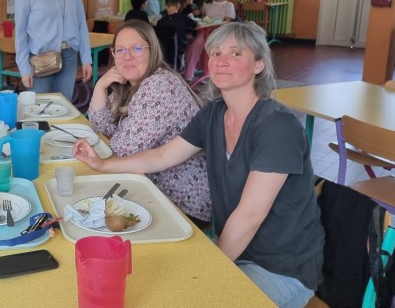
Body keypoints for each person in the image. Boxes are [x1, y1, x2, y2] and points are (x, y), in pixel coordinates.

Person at [75, 22, 324, 308]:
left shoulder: (277, 125)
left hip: (282, 270)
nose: (221, 61)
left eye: (235, 53)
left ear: (258, 65)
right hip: (236, 250)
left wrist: (207, 268)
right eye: (216, 53)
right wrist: (103, 165)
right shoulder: (215, 113)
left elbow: (250, 216)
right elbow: (161, 156)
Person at [88, 20, 211, 225]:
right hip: (149, 185)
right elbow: (102, 126)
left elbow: (124, 150)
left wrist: (117, 137)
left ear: (152, 51)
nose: (127, 56)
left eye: (136, 48)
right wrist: (100, 85)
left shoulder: (159, 85)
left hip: (182, 203)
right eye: (120, 50)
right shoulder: (130, 82)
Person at [14, 0, 92, 100]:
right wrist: (24, 68)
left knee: (64, 105)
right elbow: (20, 33)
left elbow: (81, 25)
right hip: (40, 57)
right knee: (41, 106)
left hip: (69, 55)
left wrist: (86, 59)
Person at [155, 0, 198, 72]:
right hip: (178, 50)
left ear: (166, 6)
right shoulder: (184, 18)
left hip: (162, 51)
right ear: (178, 6)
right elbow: (195, 25)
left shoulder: (160, 22)